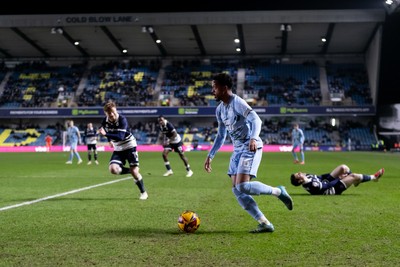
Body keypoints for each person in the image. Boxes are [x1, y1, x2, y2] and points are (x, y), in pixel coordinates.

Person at [203, 73, 293, 234]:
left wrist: (253, 138)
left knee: (243, 185)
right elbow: (221, 135)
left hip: (250, 146)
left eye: (214, 87)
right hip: (237, 150)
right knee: (237, 190)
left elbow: (256, 120)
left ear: (224, 88)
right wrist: (211, 155)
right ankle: (264, 222)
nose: (212, 91)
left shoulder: (237, 102)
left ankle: (278, 191)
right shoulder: (220, 110)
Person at [98, 101, 148, 200]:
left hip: (129, 145)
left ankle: (143, 192)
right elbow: (103, 129)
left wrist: (106, 135)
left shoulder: (122, 119)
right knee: (113, 169)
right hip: (118, 148)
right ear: (106, 113)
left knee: (135, 172)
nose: (111, 114)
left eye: (112, 111)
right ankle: (132, 171)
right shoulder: (105, 121)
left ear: (115, 109)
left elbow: (120, 136)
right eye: (109, 113)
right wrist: (109, 141)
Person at [290, 164, 384, 195]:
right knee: (353, 176)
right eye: (298, 175)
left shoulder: (307, 176)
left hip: (327, 182)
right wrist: (338, 178)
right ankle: (374, 177)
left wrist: (333, 175)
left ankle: (356, 182)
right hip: (334, 189)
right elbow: (328, 186)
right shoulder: (312, 185)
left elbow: (321, 177)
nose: (299, 172)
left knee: (343, 168)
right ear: (300, 181)